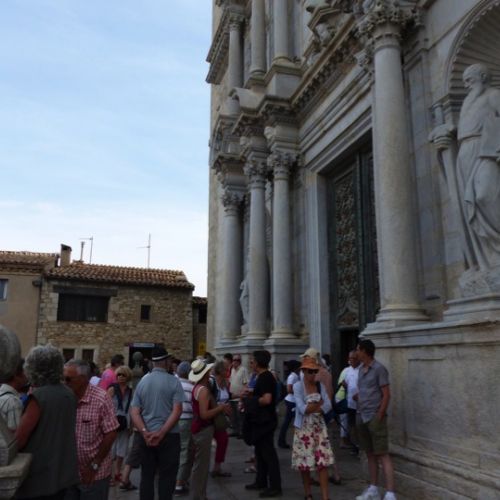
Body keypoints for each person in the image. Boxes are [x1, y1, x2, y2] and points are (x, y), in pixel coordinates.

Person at [15, 345, 79, 500]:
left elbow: (19, 439)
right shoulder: (68, 393)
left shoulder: (39, 397)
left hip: (40, 476)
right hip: (62, 473)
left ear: (34, 368)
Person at [456, 63, 500, 270]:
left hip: (486, 149)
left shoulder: (493, 95)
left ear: (482, 76)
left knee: (484, 196)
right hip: (464, 152)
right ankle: (489, 257)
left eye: (469, 80)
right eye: (464, 81)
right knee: (470, 202)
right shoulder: (467, 102)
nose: (466, 85)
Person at [130, 347, 184, 500]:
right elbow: (177, 411)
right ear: (166, 361)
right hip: (169, 436)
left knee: (147, 476)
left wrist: (144, 432)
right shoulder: (174, 381)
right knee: (167, 477)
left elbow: (134, 412)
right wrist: (161, 433)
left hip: (146, 437)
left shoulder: (142, 382)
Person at [64, 359, 119, 500]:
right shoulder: (65, 398)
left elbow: (111, 433)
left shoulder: (101, 399)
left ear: (82, 379)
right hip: (69, 474)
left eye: (68, 379)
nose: (64, 382)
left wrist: (95, 465)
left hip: (95, 475)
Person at [355, 339, 395, 500]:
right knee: (370, 454)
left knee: (382, 454)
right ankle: (373, 489)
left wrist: (380, 414)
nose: (356, 353)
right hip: (362, 415)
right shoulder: (360, 369)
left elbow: (386, 394)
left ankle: (390, 493)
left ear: (364, 351)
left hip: (374, 416)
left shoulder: (379, 369)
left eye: (358, 350)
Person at [292, 356, 334, 500]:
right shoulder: (298, 386)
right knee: (305, 463)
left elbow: (328, 405)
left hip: (319, 428)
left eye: (315, 371)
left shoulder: (320, 385)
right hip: (303, 428)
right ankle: (308, 493)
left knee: (323, 462)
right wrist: (318, 404)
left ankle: (325, 497)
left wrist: (315, 406)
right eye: (310, 371)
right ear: (304, 371)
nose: (313, 374)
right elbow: (302, 409)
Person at [189, 358, 231, 500]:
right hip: (203, 429)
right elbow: (204, 414)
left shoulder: (197, 387)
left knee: (199, 465)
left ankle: (200, 494)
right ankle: (199, 495)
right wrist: (220, 408)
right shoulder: (203, 390)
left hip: (198, 428)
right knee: (201, 466)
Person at [243, 350, 282, 498]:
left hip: (265, 421)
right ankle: (261, 481)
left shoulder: (265, 377)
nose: (250, 363)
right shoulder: (262, 376)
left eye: (252, 361)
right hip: (261, 421)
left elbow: (267, 399)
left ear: (258, 363)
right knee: (260, 453)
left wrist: (251, 400)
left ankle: (275, 486)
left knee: (268, 454)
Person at [107, 365, 134, 488]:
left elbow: (132, 408)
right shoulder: (112, 389)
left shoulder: (130, 391)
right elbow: (106, 405)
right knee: (111, 449)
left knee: (122, 450)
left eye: (123, 375)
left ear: (128, 377)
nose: (121, 377)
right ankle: (110, 474)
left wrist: (131, 425)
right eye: (119, 375)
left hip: (125, 422)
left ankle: (117, 472)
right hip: (112, 421)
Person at [175, 361, 194, 496]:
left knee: (175, 450)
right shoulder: (191, 388)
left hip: (172, 420)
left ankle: (176, 478)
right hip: (186, 420)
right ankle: (179, 483)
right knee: (185, 451)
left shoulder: (173, 385)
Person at [211, 360, 232, 477]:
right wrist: (221, 408)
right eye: (226, 369)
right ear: (220, 370)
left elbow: (228, 397)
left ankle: (217, 467)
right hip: (211, 416)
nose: (228, 371)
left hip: (220, 418)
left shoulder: (225, 383)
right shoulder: (212, 382)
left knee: (223, 440)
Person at [277, 359, 300, 449]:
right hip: (291, 401)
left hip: (293, 401)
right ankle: (281, 441)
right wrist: (299, 392)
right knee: (288, 422)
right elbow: (289, 389)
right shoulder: (292, 376)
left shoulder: (295, 376)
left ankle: (282, 441)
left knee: (289, 421)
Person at [0, 357, 26, 432]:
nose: (27, 377)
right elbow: (16, 434)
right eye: (25, 373)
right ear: (16, 376)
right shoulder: (13, 402)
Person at [228, 353, 248, 438]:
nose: (235, 362)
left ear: (240, 361)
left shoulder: (243, 370)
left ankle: (242, 432)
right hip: (232, 397)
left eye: (237, 360)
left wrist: (242, 396)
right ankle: (235, 431)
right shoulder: (232, 370)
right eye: (234, 360)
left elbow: (246, 383)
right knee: (233, 416)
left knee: (240, 416)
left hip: (239, 397)